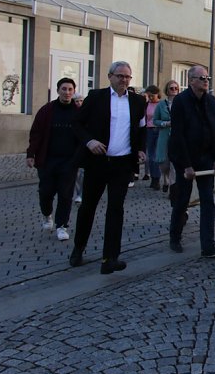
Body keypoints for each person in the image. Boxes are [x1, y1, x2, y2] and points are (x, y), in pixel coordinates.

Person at [71, 62, 147, 274]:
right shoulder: (96, 97)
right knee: (88, 207)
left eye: (127, 77)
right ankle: (79, 247)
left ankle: (110, 258)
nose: (124, 80)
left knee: (116, 210)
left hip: (122, 164)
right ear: (110, 76)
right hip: (98, 162)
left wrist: (141, 149)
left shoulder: (138, 101)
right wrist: (89, 142)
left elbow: (142, 130)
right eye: (119, 76)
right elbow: (76, 124)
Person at [167, 66, 215, 258]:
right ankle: (174, 236)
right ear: (191, 80)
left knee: (208, 199)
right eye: (201, 78)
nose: (206, 80)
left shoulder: (212, 102)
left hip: (206, 157)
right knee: (183, 198)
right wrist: (186, 165)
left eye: (207, 77)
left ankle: (208, 245)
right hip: (185, 157)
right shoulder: (180, 102)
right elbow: (178, 135)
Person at [26, 77, 81, 242]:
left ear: (73, 91)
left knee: (65, 194)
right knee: (46, 192)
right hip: (47, 159)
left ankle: (62, 226)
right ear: (58, 91)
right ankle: (46, 214)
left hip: (69, 161)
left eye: (70, 89)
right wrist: (31, 154)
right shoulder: (47, 110)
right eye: (64, 89)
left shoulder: (78, 112)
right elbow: (36, 133)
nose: (67, 92)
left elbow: (83, 134)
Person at [153, 79, 179, 193]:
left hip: (177, 137)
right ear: (167, 91)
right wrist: (165, 123)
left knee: (175, 163)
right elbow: (155, 121)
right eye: (171, 88)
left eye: (176, 88)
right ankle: (165, 178)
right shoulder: (161, 105)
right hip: (164, 135)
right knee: (164, 163)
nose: (174, 90)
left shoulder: (181, 103)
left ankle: (172, 188)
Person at [143, 85, 161, 189]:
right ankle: (154, 178)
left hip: (159, 130)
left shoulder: (162, 104)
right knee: (150, 155)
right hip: (149, 130)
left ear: (157, 94)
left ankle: (157, 179)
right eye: (148, 96)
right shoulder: (146, 105)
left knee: (157, 156)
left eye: (152, 96)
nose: (150, 98)